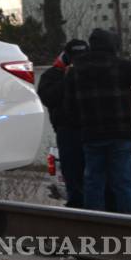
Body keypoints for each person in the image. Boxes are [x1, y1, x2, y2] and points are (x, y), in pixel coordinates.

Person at [64, 28, 131, 213]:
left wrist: (82, 123)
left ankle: (96, 225)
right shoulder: (120, 65)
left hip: (91, 135)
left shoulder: (76, 69)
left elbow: (69, 107)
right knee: (122, 182)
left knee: (93, 181)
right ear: (111, 45)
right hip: (120, 134)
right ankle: (127, 224)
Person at [38, 39, 90, 207]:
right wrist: (67, 79)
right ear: (67, 57)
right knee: (71, 172)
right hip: (67, 130)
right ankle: (76, 204)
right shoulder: (52, 75)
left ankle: (95, 207)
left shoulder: (93, 73)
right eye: (75, 58)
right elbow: (48, 98)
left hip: (92, 129)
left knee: (93, 173)